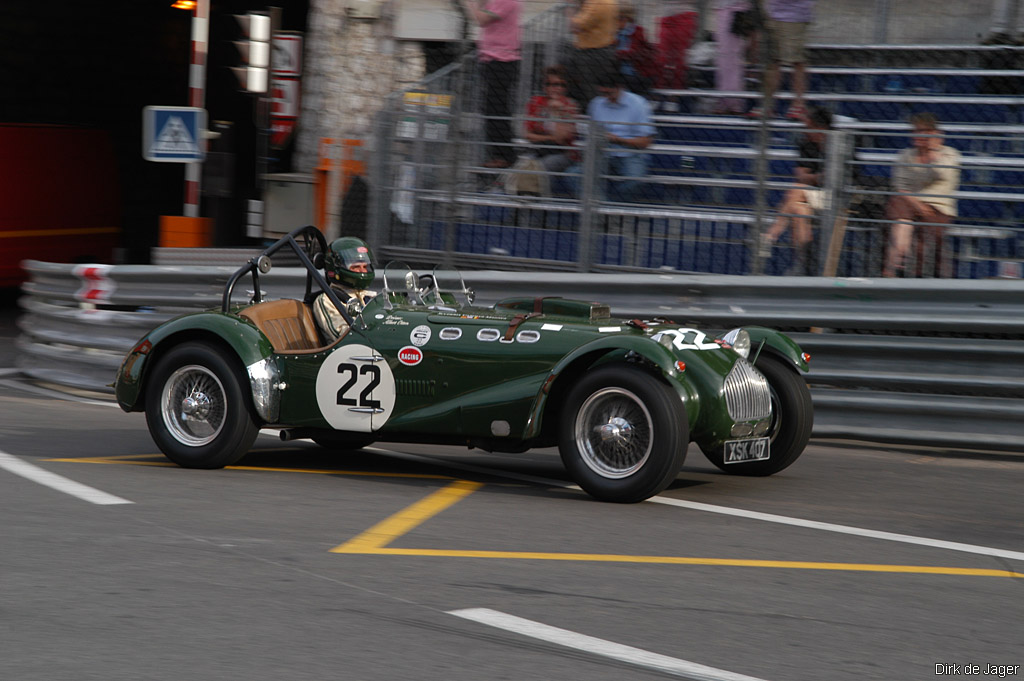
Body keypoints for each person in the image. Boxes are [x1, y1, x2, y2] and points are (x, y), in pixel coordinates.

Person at [884, 112, 961, 278]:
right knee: (898, 204)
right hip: (909, 204)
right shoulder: (905, 155)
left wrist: (933, 151)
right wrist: (917, 204)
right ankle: (895, 263)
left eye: (922, 131)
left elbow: (944, 175)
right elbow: (899, 185)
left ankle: (897, 265)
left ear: (934, 133)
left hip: (938, 206)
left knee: (923, 241)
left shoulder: (950, 154)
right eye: (915, 130)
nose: (917, 134)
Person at [759, 106, 832, 274]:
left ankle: (770, 235)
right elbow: (801, 175)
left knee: (797, 189)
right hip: (813, 196)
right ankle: (805, 264)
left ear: (820, 128)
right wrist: (818, 177)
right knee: (799, 209)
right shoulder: (807, 144)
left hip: (835, 198)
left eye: (809, 127)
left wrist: (812, 178)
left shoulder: (841, 144)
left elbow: (838, 179)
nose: (805, 130)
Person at [462, 0, 522, 169]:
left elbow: (481, 19)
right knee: (491, 108)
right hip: (492, 58)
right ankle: (501, 154)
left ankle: (505, 155)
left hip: (502, 61)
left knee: (496, 108)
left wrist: (469, 3)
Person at [585, 69, 656, 202]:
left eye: (609, 93)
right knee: (574, 174)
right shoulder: (596, 103)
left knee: (636, 180)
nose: (605, 97)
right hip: (602, 153)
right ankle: (600, 207)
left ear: (620, 88)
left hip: (630, 154)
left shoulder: (639, 104)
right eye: (602, 93)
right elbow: (589, 131)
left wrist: (618, 140)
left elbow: (646, 141)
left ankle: (611, 208)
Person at [749, 0, 815, 120]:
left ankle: (799, 105)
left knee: (797, 60)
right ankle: (767, 104)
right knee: (772, 61)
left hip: (795, 16)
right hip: (773, 14)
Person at [313, 237, 377, 343]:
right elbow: (343, 337)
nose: (363, 271)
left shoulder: (370, 296)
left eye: (365, 266)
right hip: (349, 354)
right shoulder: (327, 300)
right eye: (356, 267)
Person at [523, 65, 581, 174]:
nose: (555, 88)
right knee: (522, 165)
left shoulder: (570, 105)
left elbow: (560, 139)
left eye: (560, 84)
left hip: (564, 153)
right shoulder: (535, 102)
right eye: (550, 84)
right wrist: (550, 138)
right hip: (539, 150)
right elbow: (528, 135)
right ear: (544, 87)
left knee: (542, 166)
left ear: (566, 87)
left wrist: (556, 112)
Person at [567, 0, 619, 109]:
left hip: (594, 54)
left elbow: (575, 27)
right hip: (595, 52)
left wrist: (570, 7)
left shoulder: (598, 3)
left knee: (592, 94)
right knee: (588, 91)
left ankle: (594, 119)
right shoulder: (594, 3)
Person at [713, 0, 754, 116]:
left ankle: (732, 102)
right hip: (726, 9)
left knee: (731, 58)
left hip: (735, 10)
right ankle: (727, 100)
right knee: (725, 58)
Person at [614, 4, 659, 96]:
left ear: (625, 19)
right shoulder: (617, 33)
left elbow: (632, 53)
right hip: (622, 72)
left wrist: (614, 53)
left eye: (616, 19)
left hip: (638, 73)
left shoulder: (637, 31)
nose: (614, 23)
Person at [657, 1, 699, 89]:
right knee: (662, 55)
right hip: (666, 18)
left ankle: (677, 89)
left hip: (684, 16)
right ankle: (660, 87)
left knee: (680, 57)